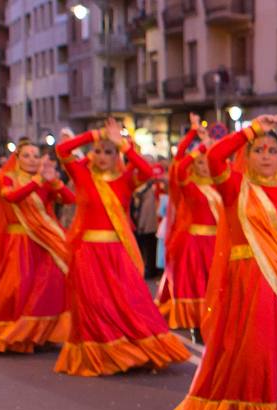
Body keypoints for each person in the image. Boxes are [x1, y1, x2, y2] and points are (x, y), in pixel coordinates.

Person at [161, 116, 277, 410]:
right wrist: (251, 129)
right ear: (247, 155)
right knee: (253, 351)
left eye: (272, 150)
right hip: (247, 283)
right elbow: (213, 157)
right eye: (258, 150)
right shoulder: (233, 186)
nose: (266, 155)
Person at [53, 122, 189, 376]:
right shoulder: (82, 175)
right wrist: (95, 134)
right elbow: (62, 150)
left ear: (117, 156)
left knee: (128, 303)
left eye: (109, 151)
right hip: (87, 253)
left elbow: (147, 171)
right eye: (99, 151)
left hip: (117, 253)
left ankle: (133, 350)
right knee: (94, 306)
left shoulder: (126, 180)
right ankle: (104, 355)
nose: (103, 156)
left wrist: (124, 145)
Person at [0, 140, 72, 354]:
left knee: (50, 286)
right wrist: (39, 180)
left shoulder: (44, 180)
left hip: (45, 243)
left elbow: (69, 199)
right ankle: (14, 335)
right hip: (20, 243)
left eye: (36, 155)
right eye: (27, 155)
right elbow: (12, 197)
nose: (32, 159)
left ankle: (43, 333)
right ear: (18, 159)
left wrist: (55, 182)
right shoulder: (8, 179)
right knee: (17, 287)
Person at [153, 122, 223, 337]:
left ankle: (215, 322)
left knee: (216, 285)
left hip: (217, 243)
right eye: (200, 163)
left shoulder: (220, 186)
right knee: (197, 286)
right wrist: (197, 142)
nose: (204, 166)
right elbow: (180, 166)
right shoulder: (189, 186)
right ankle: (196, 325)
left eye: (206, 162)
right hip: (194, 244)